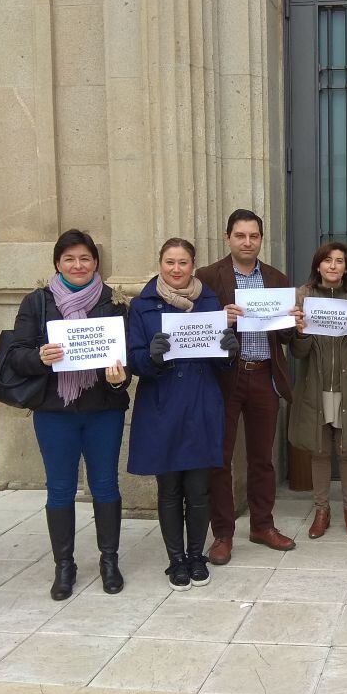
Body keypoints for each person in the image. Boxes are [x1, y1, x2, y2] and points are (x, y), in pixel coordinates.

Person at [7, 229, 130, 601]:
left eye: (85, 259)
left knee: (106, 485)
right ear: (57, 264)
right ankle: (65, 566)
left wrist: (118, 378)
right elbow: (16, 354)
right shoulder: (38, 302)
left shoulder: (114, 301)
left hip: (102, 410)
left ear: (96, 263)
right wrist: (38, 357)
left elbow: (126, 360)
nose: (78, 265)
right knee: (60, 488)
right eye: (69, 259)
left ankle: (109, 561)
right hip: (55, 411)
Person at [127, 238, 239, 589]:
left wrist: (229, 351)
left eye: (184, 263)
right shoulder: (142, 305)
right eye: (170, 262)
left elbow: (221, 360)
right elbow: (133, 359)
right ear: (160, 263)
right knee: (170, 489)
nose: (176, 269)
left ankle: (196, 556)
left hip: (202, 404)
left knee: (199, 488)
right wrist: (152, 357)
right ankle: (175, 560)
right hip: (162, 407)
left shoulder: (208, 301)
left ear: (193, 265)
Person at [196, 209, 302, 564]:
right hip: (226, 377)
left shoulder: (275, 278)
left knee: (262, 458)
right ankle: (222, 534)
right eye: (240, 235)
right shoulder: (208, 277)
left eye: (253, 236)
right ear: (228, 237)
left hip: (264, 376)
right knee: (219, 459)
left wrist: (295, 322)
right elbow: (194, 329)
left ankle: (262, 525)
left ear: (261, 239)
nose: (247, 242)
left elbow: (284, 335)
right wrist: (217, 318)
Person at [289, 242, 347, 539]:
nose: (333, 266)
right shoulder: (303, 296)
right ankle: (322, 510)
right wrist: (301, 332)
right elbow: (298, 353)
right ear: (318, 266)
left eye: (339, 261)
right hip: (316, 387)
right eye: (327, 260)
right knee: (320, 451)